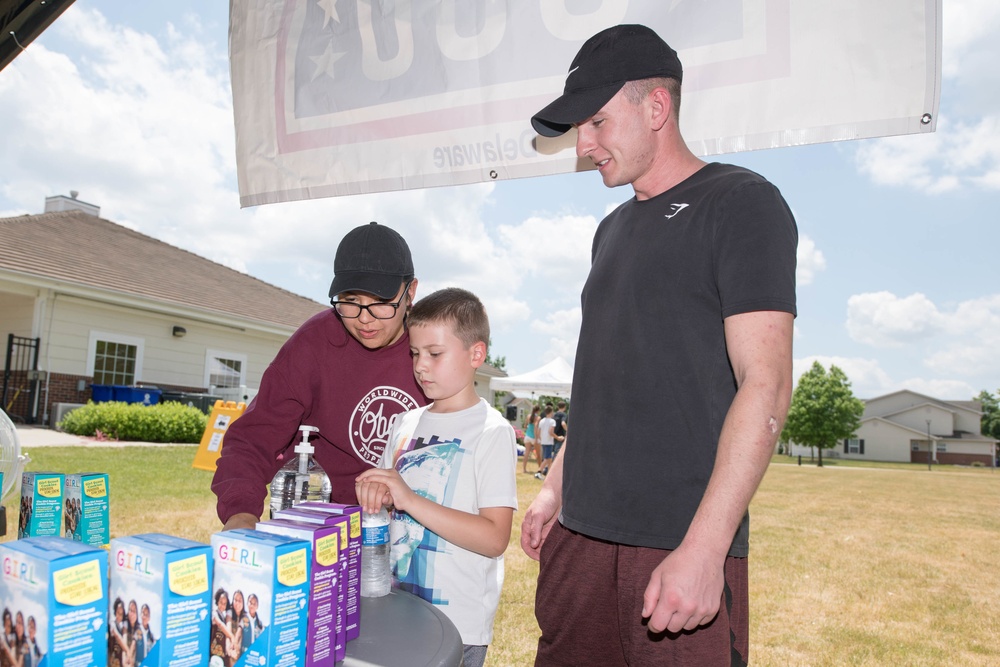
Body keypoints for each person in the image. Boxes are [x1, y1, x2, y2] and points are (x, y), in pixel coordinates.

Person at [521, 24, 797, 665]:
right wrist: (553, 490)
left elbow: (767, 384)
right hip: (580, 543)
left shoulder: (741, 203)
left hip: (677, 546)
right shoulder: (610, 230)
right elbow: (605, 383)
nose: (585, 146)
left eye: (596, 122)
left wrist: (704, 549)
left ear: (656, 107)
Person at [212, 222, 428, 529]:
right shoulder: (315, 342)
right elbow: (253, 438)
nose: (364, 319)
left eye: (380, 303)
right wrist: (241, 514)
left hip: (412, 530)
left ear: (411, 293)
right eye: (350, 302)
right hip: (321, 527)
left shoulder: (432, 347)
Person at [355, 287, 518, 667]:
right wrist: (374, 493)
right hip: (394, 606)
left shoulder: (491, 431)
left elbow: (495, 537)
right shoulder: (404, 422)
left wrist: (410, 498)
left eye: (435, 353)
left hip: (458, 626)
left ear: (476, 354)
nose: (420, 365)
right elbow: (386, 506)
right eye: (414, 353)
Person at [534, 406, 555, 480]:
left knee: (549, 459)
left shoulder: (542, 421)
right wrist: (557, 437)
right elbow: (551, 432)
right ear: (551, 412)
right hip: (549, 442)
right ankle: (539, 471)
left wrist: (540, 438)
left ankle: (549, 475)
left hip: (543, 441)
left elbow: (538, 432)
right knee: (547, 458)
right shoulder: (552, 421)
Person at [521, 405, 541, 473]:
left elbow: (525, 425)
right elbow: (536, 428)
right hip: (533, 437)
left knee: (526, 452)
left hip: (527, 436)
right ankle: (540, 469)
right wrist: (536, 438)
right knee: (538, 454)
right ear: (538, 411)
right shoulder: (538, 418)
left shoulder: (528, 416)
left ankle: (524, 469)